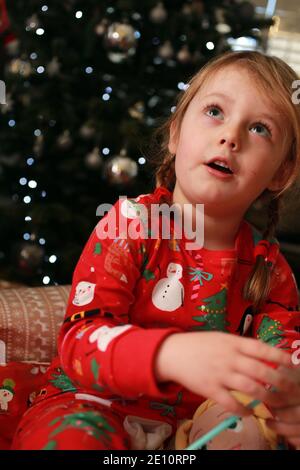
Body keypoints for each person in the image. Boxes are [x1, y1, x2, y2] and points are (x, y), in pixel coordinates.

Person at [12, 50, 300, 450]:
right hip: (93, 404)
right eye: (215, 111)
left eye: (260, 129)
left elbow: (283, 359)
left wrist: (287, 396)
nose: (230, 136)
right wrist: (171, 354)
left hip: (199, 426)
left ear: (281, 173)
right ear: (176, 133)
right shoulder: (130, 224)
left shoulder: (271, 270)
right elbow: (80, 342)